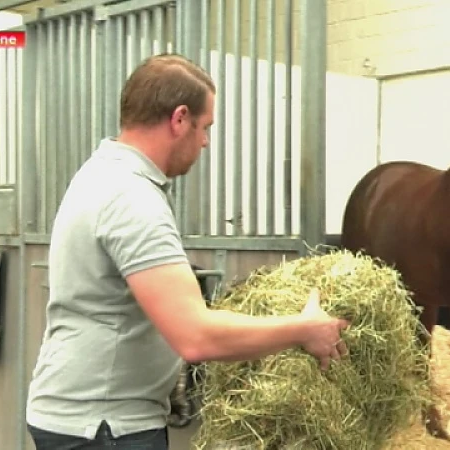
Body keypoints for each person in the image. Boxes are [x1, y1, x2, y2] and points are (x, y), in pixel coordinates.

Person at [24, 53, 350, 450]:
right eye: (205, 126)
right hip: (104, 427)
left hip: (87, 418)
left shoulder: (104, 172)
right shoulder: (130, 198)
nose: (206, 141)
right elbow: (196, 337)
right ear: (179, 119)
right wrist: (304, 329)